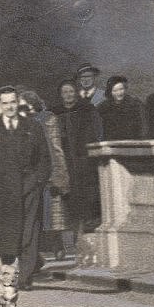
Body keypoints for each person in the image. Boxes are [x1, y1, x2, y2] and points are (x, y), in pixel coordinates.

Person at [0, 86, 51, 290]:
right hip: (1, 190)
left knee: (29, 232)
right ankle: (8, 275)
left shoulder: (33, 126)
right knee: (8, 234)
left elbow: (44, 158)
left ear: (18, 102)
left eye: (12, 102)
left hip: (28, 186)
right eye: (5, 103)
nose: (9, 107)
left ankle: (24, 278)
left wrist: (38, 182)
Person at [19, 90, 70, 261]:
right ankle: (37, 254)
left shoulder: (48, 119)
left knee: (53, 213)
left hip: (48, 170)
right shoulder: (21, 121)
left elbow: (56, 148)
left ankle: (58, 246)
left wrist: (59, 173)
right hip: (32, 173)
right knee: (37, 215)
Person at [52, 80, 103, 233]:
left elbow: (95, 133)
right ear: (61, 95)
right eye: (64, 92)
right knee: (70, 195)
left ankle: (89, 226)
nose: (68, 95)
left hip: (84, 158)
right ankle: (75, 230)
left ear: (76, 93)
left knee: (88, 193)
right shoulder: (55, 113)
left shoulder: (86, 110)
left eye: (70, 91)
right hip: (66, 160)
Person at [97, 76, 147, 141]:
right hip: (110, 145)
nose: (119, 93)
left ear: (125, 89)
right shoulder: (103, 107)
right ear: (110, 92)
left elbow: (143, 127)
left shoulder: (136, 105)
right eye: (115, 90)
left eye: (121, 89)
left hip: (133, 144)